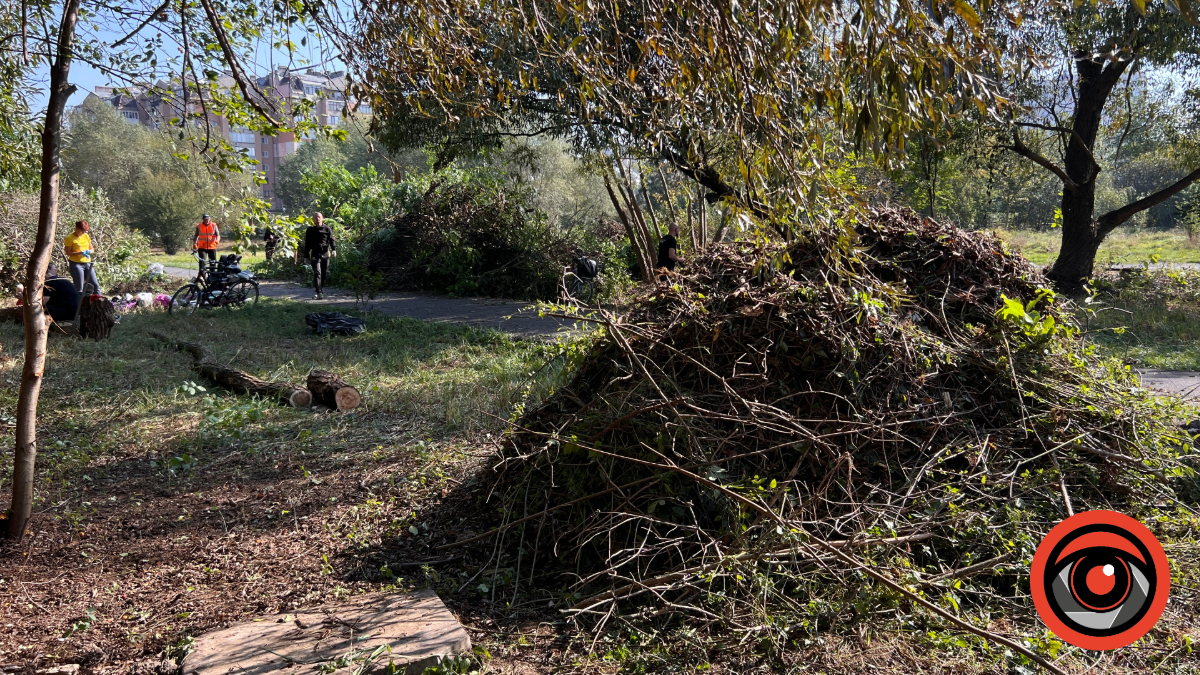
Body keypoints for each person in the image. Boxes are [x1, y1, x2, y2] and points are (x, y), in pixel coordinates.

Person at [301, 212, 336, 298]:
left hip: (325, 253)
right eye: (315, 217)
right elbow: (307, 244)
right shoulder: (310, 230)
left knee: (324, 273)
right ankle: (319, 291)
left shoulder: (327, 229)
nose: (317, 219)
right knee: (317, 272)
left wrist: (334, 249)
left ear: (322, 218)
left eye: (319, 217)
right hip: (315, 253)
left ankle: (321, 288)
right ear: (313, 219)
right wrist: (306, 256)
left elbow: (332, 240)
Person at [64, 220, 103, 294]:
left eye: (85, 231)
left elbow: (92, 249)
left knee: (95, 285)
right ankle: (78, 304)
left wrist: (89, 251)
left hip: (87, 263)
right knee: (79, 287)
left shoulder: (86, 236)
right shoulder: (69, 238)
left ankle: (100, 303)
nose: (84, 232)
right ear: (77, 228)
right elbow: (68, 252)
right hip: (76, 264)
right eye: (82, 231)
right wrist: (80, 253)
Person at [192, 213, 221, 277]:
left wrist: (217, 240)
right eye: (205, 219)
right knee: (202, 263)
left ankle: (212, 277)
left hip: (212, 247)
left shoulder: (213, 225)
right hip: (202, 247)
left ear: (209, 218)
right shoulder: (199, 226)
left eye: (207, 219)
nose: (206, 220)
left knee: (213, 263)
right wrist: (194, 243)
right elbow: (196, 235)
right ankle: (202, 277)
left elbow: (218, 235)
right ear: (203, 219)